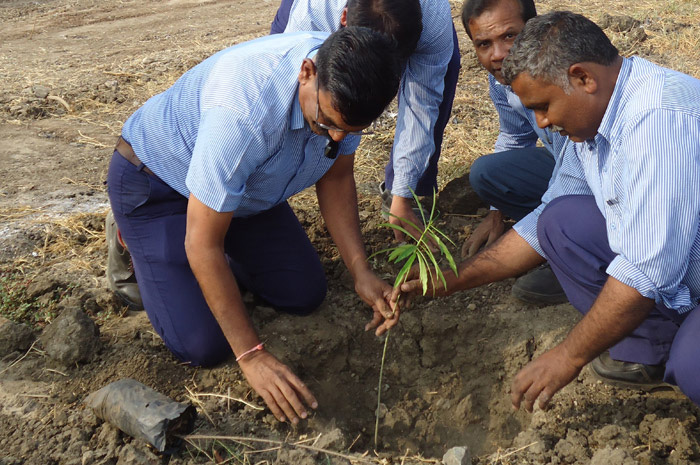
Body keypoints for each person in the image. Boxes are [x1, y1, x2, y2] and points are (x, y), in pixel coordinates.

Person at [397, 11, 700, 411]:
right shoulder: (592, 123)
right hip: (680, 268)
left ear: (582, 78)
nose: (541, 123)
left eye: (543, 106)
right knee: (561, 220)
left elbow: (644, 273)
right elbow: (542, 224)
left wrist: (568, 356)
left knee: (692, 367)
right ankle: (654, 345)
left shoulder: (657, 121)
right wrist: (449, 279)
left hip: (672, 268)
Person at [106, 27, 402, 424]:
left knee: (303, 293)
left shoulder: (351, 90)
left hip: (245, 194)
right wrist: (252, 355)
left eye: (348, 130)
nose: (335, 136)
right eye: (326, 121)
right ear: (307, 72)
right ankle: (133, 236)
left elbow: (334, 177)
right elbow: (202, 244)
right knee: (203, 344)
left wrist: (360, 270)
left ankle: (214, 236)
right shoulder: (244, 113)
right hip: (159, 186)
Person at [271, 0, 460, 243]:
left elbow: (423, 102)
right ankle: (267, 197)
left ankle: (410, 192)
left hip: (419, 28)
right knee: (298, 105)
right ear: (344, 18)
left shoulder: (432, 17)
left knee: (444, 71)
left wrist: (401, 194)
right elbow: (293, 74)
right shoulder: (314, 11)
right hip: (313, 18)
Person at [460, 0, 568, 304]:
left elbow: (579, 173)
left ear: (533, 30)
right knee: (487, 173)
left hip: (606, 176)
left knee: (570, 202)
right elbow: (514, 135)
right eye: (484, 43)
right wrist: (497, 211)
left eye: (510, 36)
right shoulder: (503, 81)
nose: (498, 54)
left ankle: (575, 259)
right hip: (562, 163)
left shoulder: (565, 75)